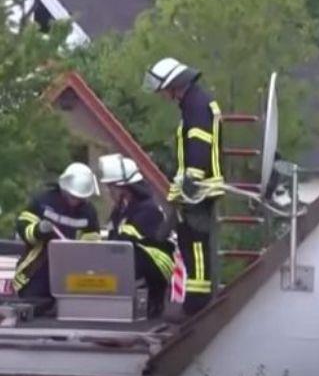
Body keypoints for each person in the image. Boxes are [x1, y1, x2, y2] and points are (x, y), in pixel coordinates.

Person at [143, 57, 223, 315]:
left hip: (198, 191)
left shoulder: (196, 105)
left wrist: (192, 179)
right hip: (194, 190)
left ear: (173, 85)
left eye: (163, 90)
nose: (162, 95)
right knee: (188, 242)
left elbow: (199, 143)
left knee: (196, 244)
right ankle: (193, 300)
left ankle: (197, 304)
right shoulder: (193, 102)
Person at [97, 154, 175, 318]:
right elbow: (113, 238)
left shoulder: (148, 209)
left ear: (125, 188)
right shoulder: (121, 210)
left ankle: (154, 302)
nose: (109, 192)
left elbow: (124, 240)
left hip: (159, 263)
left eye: (112, 187)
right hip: (135, 258)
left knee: (128, 253)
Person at [14, 163, 102, 305]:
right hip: (37, 271)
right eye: (72, 197)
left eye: (79, 198)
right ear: (64, 189)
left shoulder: (88, 212)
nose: (75, 201)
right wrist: (38, 230)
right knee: (32, 310)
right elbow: (23, 227)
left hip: (70, 275)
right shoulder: (43, 201)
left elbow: (93, 246)